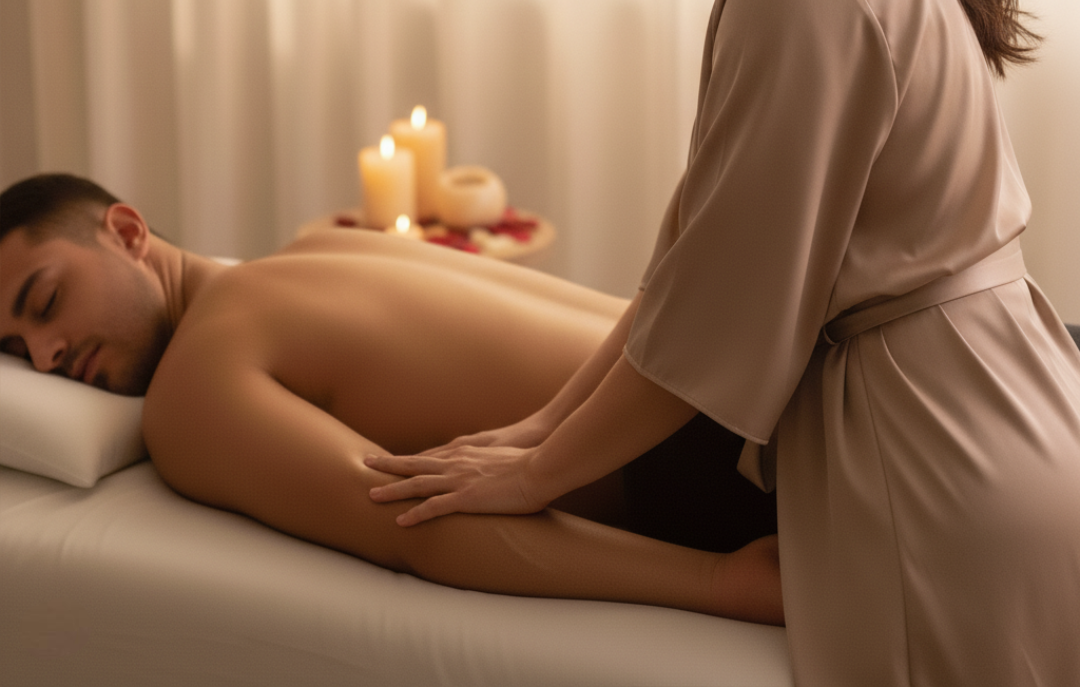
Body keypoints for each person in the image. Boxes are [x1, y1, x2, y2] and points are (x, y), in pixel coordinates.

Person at [363, 0, 1080, 686]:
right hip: (1007, 405)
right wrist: (533, 434)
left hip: (928, 456)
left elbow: (722, 321)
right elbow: (692, 269)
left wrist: (538, 474)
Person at [0, 172, 782, 625]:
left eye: (44, 302)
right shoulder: (317, 248)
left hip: (710, 463)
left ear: (128, 232)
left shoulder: (195, 388)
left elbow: (415, 526)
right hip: (748, 358)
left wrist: (720, 585)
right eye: (14, 352)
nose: (46, 355)